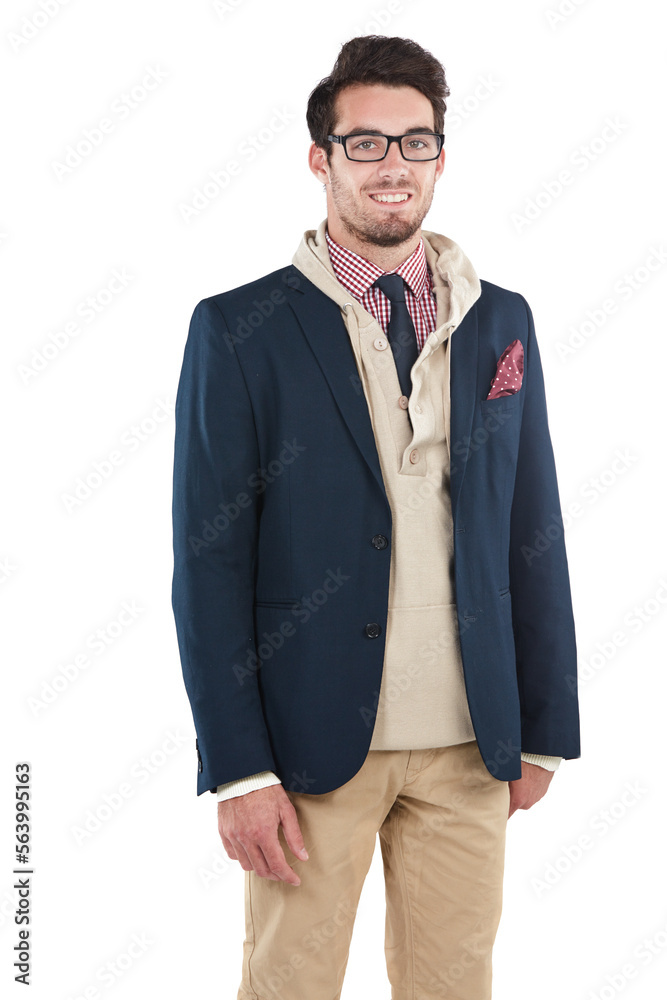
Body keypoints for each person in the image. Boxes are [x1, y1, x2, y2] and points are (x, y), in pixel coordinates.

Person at [171, 34, 581, 1000]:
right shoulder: (238, 330)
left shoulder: (501, 320)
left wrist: (545, 727)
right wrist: (237, 771)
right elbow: (210, 562)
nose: (392, 163)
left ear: (440, 157)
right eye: (365, 143)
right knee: (289, 986)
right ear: (320, 159)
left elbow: (535, 522)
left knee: (455, 985)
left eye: (415, 141)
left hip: (471, 740)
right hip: (307, 751)